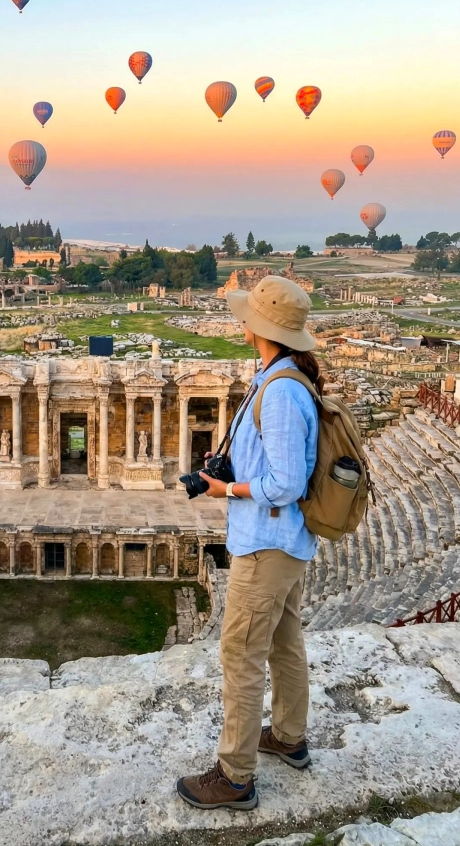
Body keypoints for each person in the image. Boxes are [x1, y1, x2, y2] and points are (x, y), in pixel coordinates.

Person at [176, 275, 320, 811]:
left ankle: (234, 777)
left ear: (257, 327)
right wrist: (232, 467)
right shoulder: (279, 377)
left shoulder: (280, 390)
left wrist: (225, 487)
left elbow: (285, 483)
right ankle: (287, 737)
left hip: (266, 544)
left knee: (240, 653)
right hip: (282, 541)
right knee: (284, 643)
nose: (239, 322)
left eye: (245, 316)